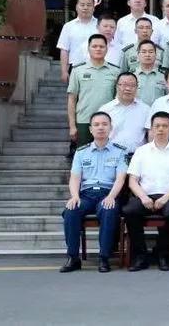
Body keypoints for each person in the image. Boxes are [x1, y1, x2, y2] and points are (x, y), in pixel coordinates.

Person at [123, 111, 169, 271]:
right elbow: (132, 181)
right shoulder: (141, 151)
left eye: (165, 126)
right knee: (129, 210)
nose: (161, 129)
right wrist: (143, 197)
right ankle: (141, 256)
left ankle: (162, 253)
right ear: (151, 129)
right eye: (157, 126)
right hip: (144, 195)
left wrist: (165, 198)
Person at [59, 112, 128, 273]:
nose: (100, 127)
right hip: (86, 195)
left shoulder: (120, 151)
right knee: (70, 210)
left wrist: (111, 196)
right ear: (90, 129)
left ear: (110, 127)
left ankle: (104, 258)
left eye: (104, 124)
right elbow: (75, 178)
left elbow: (120, 178)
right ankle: (73, 258)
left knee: (109, 210)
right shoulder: (81, 152)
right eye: (96, 125)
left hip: (107, 193)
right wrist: (74, 196)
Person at [67, 34, 120, 147]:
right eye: (94, 46)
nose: (98, 49)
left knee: (108, 153)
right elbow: (72, 99)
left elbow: (118, 99)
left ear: (107, 49)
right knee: (84, 155)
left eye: (101, 46)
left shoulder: (115, 71)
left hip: (108, 121)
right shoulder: (77, 70)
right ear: (88, 48)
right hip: (84, 121)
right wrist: (72, 126)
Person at [98, 72, 151, 154]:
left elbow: (151, 136)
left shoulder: (146, 110)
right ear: (116, 86)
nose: (128, 88)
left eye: (132, 85)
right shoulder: (105, 110)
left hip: (138, 156)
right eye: (124, 85)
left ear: (137, 88)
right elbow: (99, 135)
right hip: (111, 155)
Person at [57, 0, 98, 83]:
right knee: (75, 92)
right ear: (76, 7)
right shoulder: (68, 26)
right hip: (75, 67)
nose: (85, 7)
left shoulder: (100, 25)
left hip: (97, 67)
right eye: (82, 5)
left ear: (93, 8)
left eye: (89, 5)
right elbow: (64, 50)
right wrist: (64, 71)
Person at [133, 40, 167, 106]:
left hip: (159, 111)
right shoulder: (132, 76)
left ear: (156, 55)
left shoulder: (164, 76)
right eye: (144, 52)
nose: (147, 55)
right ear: (138, 55)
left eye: (151, 52)